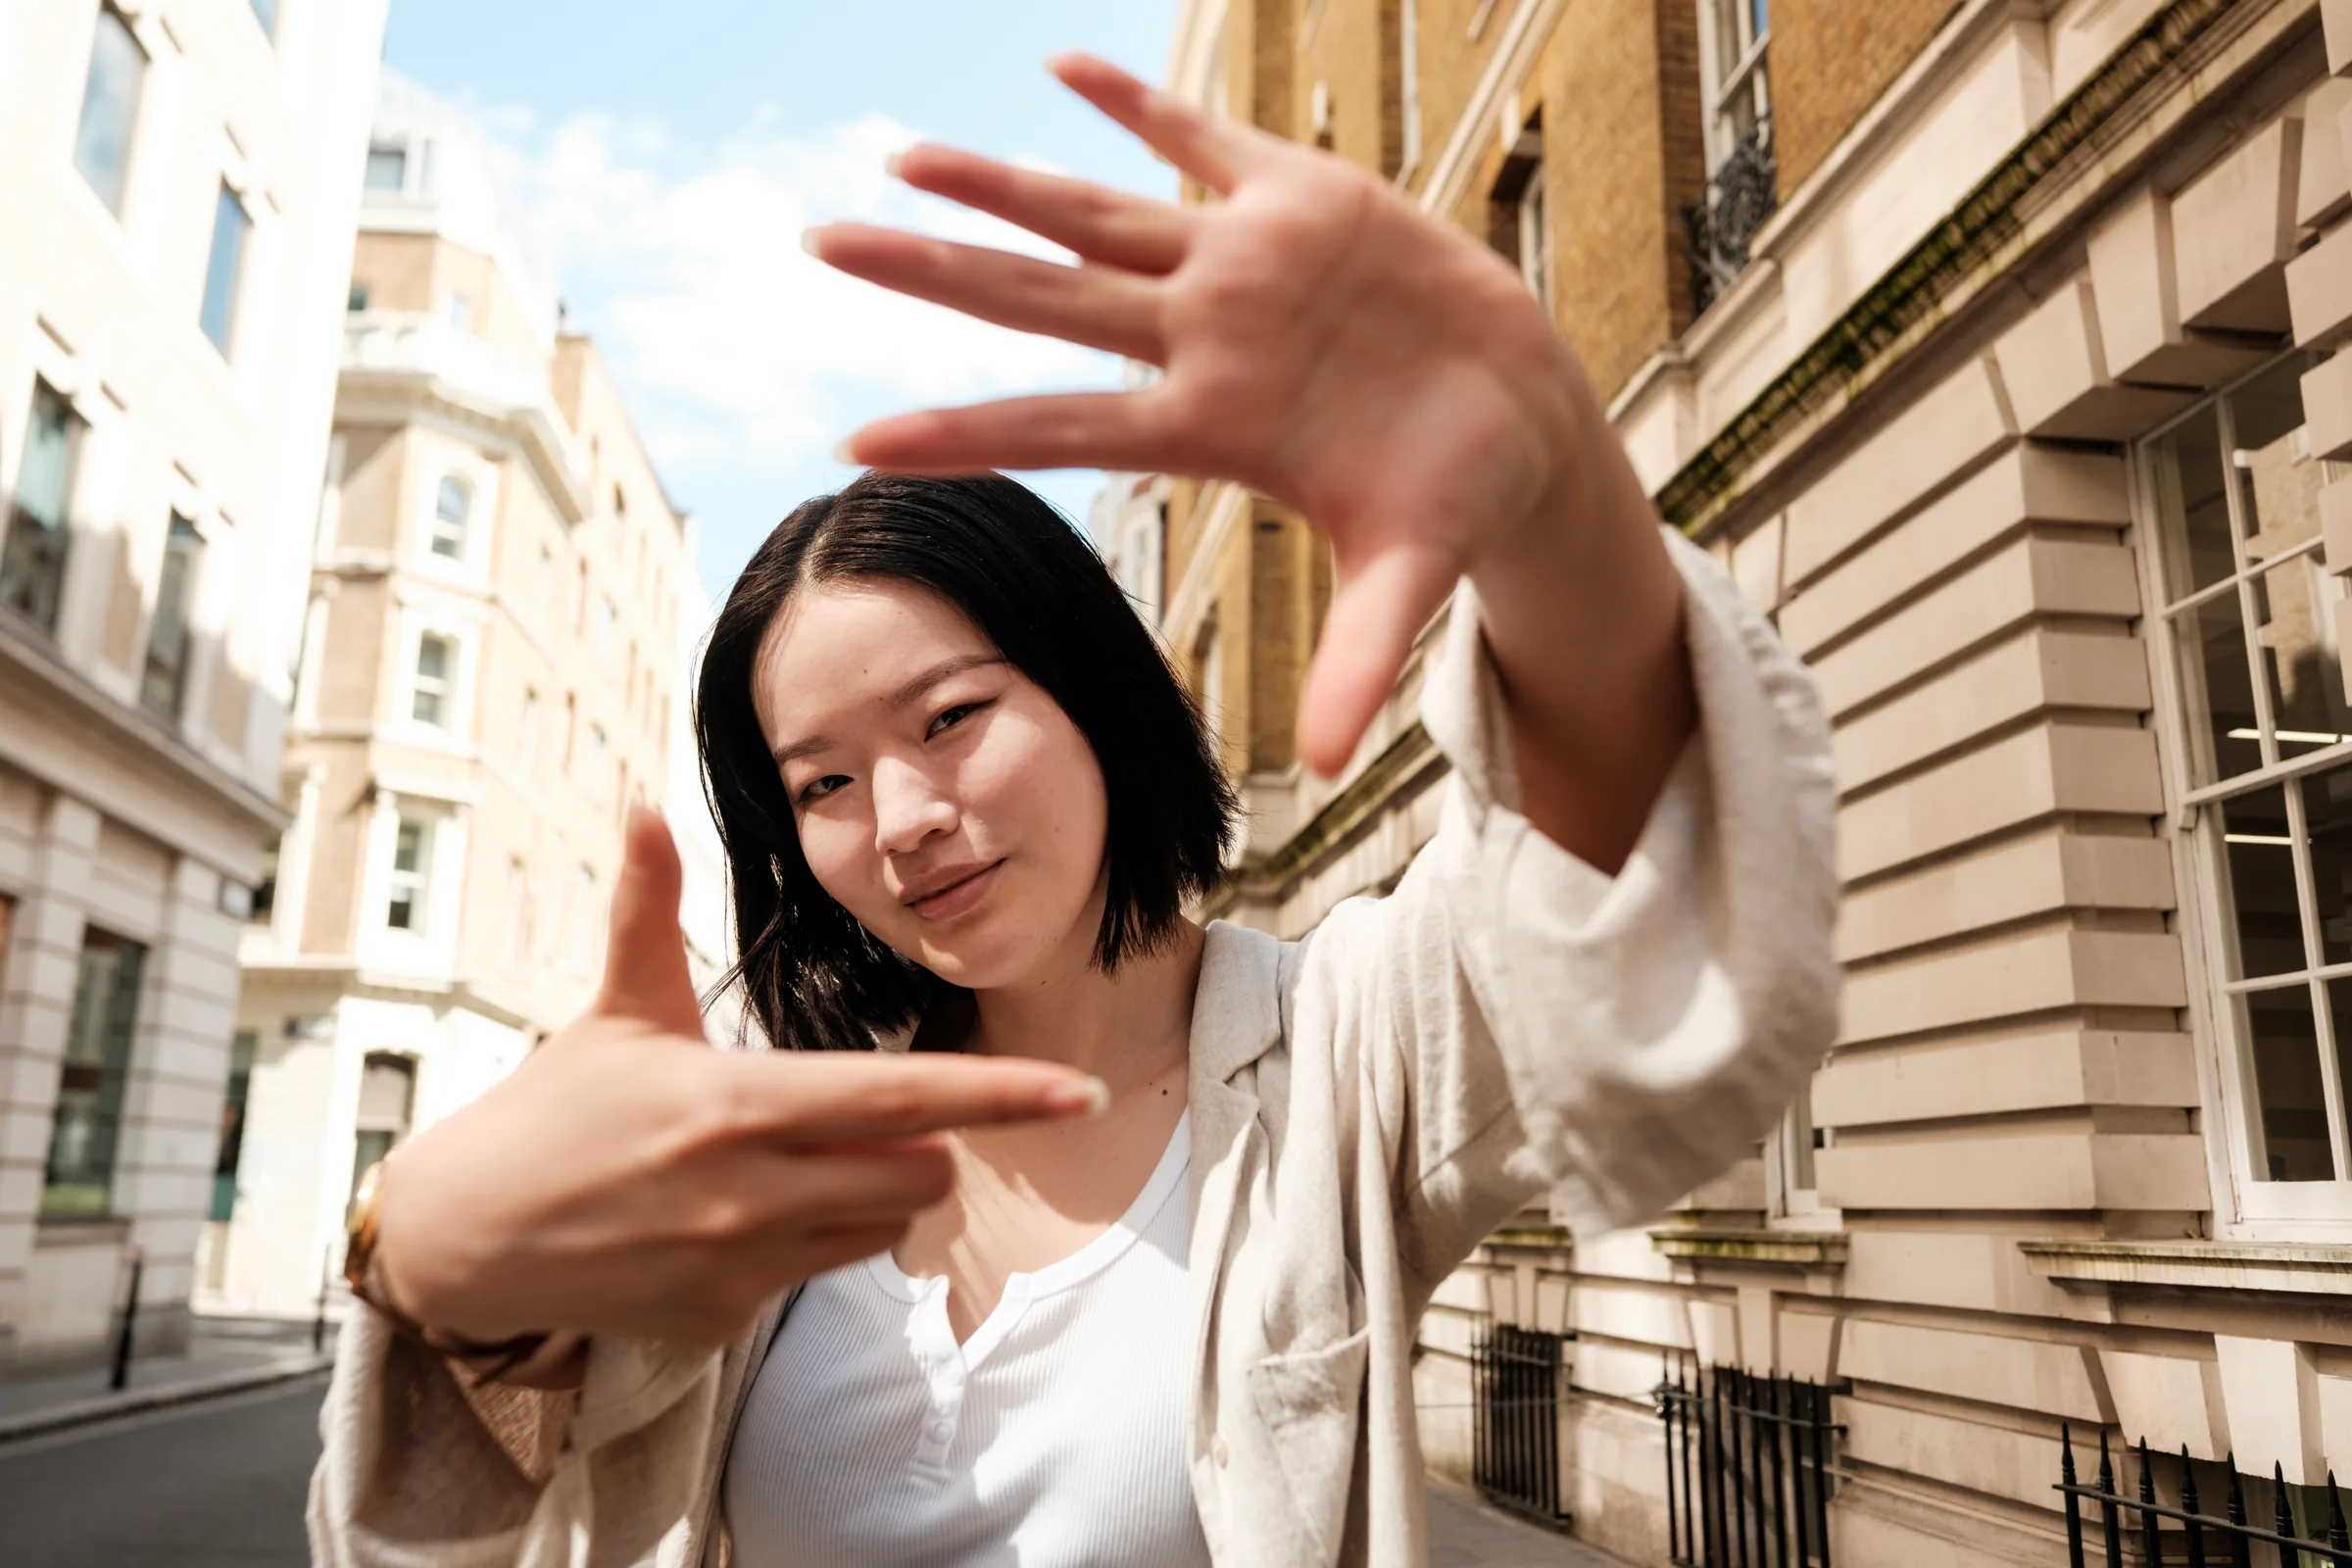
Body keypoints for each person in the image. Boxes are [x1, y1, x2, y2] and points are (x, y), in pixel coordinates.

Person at [309, 54, 1838, 1568]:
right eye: (823, 785)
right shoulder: (754, 1114)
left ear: (1096, 700)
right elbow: (465, 1514)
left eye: (953, 718)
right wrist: (433, 1264)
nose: (901, 815)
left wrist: (1556, 485)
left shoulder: (1336, 1052)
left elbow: (1601, 875)